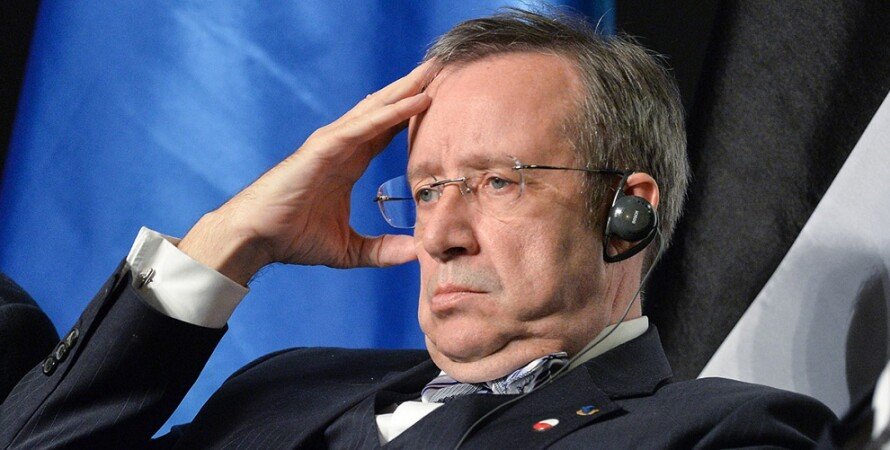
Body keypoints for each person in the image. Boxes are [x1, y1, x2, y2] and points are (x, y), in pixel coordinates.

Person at [0, 8, 835, 449]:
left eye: (497, 182)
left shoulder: (723, 432)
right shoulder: (283, 389)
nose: (441, 235)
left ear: (627, 211)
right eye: (428, 191)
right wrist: (230, 240)